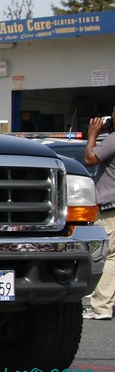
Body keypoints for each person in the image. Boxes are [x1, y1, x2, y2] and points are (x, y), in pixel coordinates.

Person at [83, 113, 115, 320]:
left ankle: (101, 306)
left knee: (108, 255)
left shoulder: (113, 139)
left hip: (110, 206)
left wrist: (93, 134)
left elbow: (89, 159)